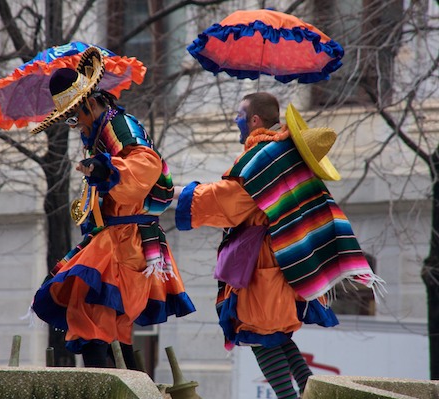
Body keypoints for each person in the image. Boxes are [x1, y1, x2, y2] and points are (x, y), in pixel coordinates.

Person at [174, 92, 383, 398]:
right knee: (279, 337)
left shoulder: (263, 156)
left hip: (264, 265)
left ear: (254, 120)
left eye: (239, 114)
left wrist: (181, 192)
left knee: (259, 336)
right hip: (289, 260)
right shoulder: (288, 156)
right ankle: (314, 394)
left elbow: (231, 203)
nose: (235, 120)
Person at [29, 47, 196, 369]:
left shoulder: (119, 126)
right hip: (114, 236)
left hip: (125, 238)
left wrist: (108, 170)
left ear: (90, 103)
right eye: (70, 120)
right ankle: (131, 385)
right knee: (105, 323)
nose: (76, 125)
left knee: (91, 314)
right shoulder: (101, 131)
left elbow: (146, 165)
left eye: (76, 116)